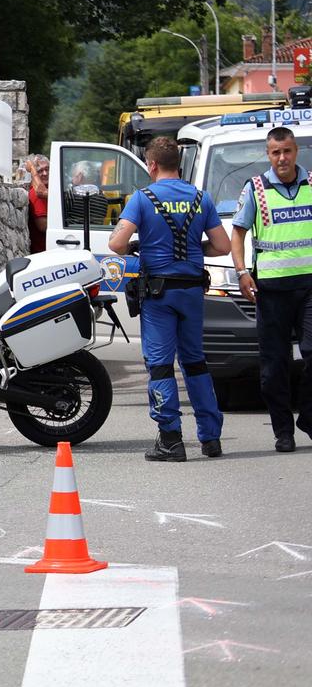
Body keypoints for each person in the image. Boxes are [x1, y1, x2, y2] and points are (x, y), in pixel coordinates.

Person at [108, 137, 229, 462]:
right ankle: (211, 438)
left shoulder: (143, 198)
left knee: (161, 365)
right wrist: (193, 250)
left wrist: (141, 246)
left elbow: (117, 245)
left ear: (151, 164)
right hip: (191, 291)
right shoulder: (201, 198)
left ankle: (171, 440)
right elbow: (222, 246)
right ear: (179, 163)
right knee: (195, 361)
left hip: (159, 294)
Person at [229, 126, 312, 453]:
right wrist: (241, 273)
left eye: (287, 151)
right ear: (268, 155)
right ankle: (283, 431)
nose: (282, 158)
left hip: (309, 288)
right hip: (271, 292)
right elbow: (238, 234)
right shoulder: (256, 189)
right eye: (276, 153)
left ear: (296, 152)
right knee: (274, 365)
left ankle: (308, 415)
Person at [23, 154, 50, 253]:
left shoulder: (48, 189)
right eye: (40, 171)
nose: (45, 173)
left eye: (47, 169)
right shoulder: (36, 194)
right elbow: (43, 226)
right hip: (44, 252)